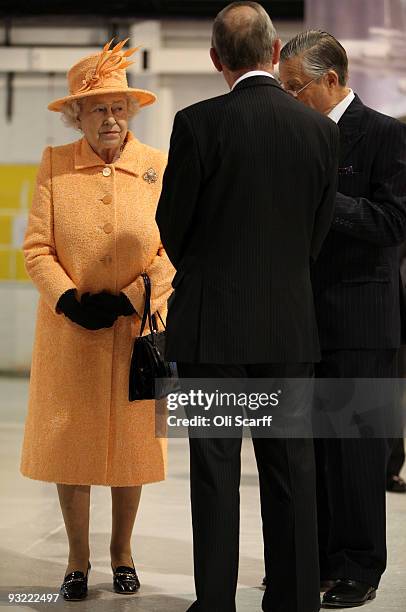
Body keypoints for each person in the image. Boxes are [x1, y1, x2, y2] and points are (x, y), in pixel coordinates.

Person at [156, 3, 339, 612]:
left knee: (215, 476)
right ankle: (292, 600)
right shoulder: (320, 130)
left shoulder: (196, 123)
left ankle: (214, 603)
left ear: (215, 60)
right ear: (275, 49)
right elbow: (316, 237)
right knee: (292, 474)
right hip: (289, 327)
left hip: (212, 331)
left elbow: (172, 228)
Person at [20, 39, 174, 601]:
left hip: (138, 332)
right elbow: (36, 248)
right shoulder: (55, 166)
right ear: (76, 115)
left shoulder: (158, 166)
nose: (110, 118)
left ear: (129, 112)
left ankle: (123, 554)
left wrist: (137, 294)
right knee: (73, 447)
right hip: (71, 334)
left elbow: (175, 248)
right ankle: (77, 560)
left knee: (132, 449)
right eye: (98, 108)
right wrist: (68, 299)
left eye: (118, 107)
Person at [279, 30, 406, 608]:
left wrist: (323, 199)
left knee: (356, 453)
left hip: (360, 317)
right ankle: (317, 558)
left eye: (295, 88)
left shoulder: (384, 134)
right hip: (299, 319)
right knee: (311, 451)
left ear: (331, 80)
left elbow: (392, 223)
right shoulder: (293, 136)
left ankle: (358, 566)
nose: (288, 98)